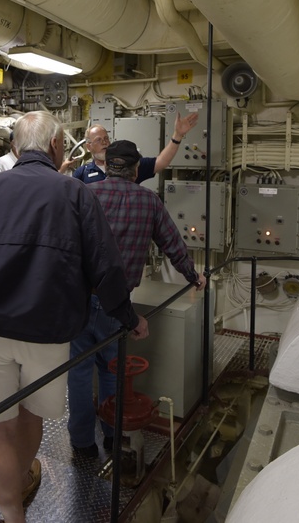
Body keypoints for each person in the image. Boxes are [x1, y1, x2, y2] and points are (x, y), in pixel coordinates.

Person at [0, 111, 149, 523]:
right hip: (48, 331)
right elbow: (106, 268)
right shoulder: (75, 194)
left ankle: (10, 514)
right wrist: (127, 317)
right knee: (31, 414)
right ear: (56, 146)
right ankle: (21, 480)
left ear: (15, 149)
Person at [69, 140, 207, 457]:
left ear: (107, 165)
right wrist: (192, 276)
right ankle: (112, 435)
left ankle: (81, 443)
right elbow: (173, 244)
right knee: (110, 369)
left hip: (78, 299)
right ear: (134, 171)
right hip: (117, 305)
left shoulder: (85, 195)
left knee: (78, 374)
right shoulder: (148, 201)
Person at [72, 111, 199, 184]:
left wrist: (177, 136)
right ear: (88, 146)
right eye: (99, 140)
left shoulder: (129, 164)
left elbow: (161, 162)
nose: (105, 142)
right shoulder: (82, 173)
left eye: (106, 138)